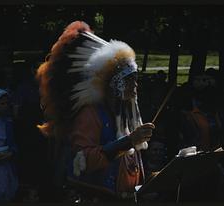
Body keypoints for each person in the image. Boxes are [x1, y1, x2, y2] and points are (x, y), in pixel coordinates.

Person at [36, 21, 155, 202]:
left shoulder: (125, 112)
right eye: (130, 79)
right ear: (115, 83)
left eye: (136, 79)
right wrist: (129, 141)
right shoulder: (90, 113)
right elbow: (83, 160)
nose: (135, 85)